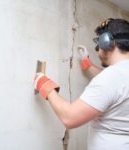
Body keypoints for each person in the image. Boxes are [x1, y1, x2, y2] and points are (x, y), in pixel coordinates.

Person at [34, 18, 129, 150]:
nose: (97, 48)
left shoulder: (111, 77)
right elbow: (118, 87)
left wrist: (45, 85)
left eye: (98, 41)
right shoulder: (120, 75)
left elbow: (70, 118)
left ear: (106, 41)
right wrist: (87, 64)